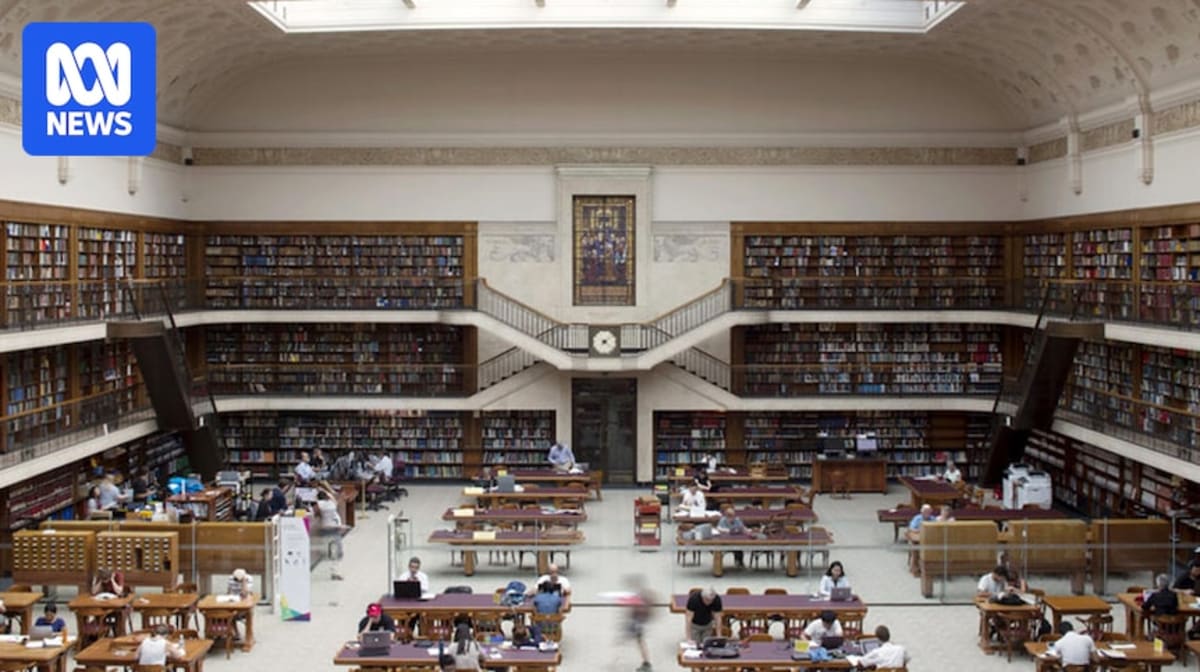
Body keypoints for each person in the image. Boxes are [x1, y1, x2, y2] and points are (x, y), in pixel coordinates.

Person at [622, 576, 656, 672]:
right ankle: (646, 662)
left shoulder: (642, 597)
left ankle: (647, 663)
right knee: (640, 642)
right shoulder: (639, 596)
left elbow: (641, 610)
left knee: (640, 642)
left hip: (638, 622)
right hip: (637, 622)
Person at [315, 490, 346, 580]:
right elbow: (332, 496)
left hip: (328, 528)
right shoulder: (331, 503)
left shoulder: (319, 504)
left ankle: (334, 571)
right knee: (337, 552)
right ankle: (335, 572)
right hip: (334, 529)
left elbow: (316, 512)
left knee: (333, 551)